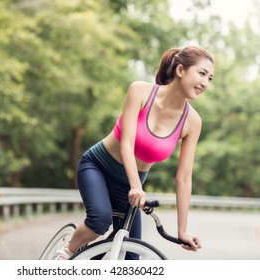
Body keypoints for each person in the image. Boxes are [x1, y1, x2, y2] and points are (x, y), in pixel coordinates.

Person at [52, 45, 214, 260]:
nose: (205, 83)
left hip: (129, 184)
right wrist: (136, 186)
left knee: (130, 256)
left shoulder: (193, 122)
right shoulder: (140, 91)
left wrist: (182, 230)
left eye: (210, 78)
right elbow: (127, 143)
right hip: (98, 166)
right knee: (99, 221)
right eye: (202, 73)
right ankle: (65, 254)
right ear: (181, 70)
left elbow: (183, 177)